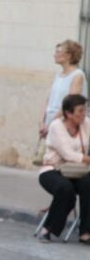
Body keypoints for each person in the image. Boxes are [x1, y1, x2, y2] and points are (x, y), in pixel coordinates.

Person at [37, 94, 90, 244]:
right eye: (80, 111)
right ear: (68, 113)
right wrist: (87, 159)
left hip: (76, 171)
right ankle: (48, 229)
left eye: (85, 110)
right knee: (65, 189)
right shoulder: (56, 126)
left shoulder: (86, 123)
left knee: (89, 184)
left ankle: (86, 232)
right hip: (52, 169)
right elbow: (68, 154)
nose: (83, 114)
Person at [41, 40, 87, 138]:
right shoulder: (58, 75)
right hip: (49, 123)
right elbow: (48, 101)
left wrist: (52, 124)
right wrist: (42, 122)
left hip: (63, 125)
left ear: (68, 56)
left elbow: (70, 105)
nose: (55, 55)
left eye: (58, 52)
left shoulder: (77, 75)